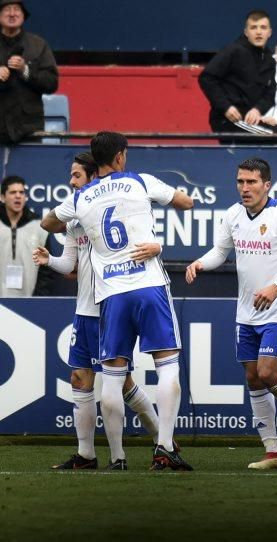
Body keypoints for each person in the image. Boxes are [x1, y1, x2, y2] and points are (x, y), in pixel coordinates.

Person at [41, 131, 194, 471]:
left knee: (111, 377)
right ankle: (164, 448)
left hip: (111, 293)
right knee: (166, 364)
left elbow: (48, 222)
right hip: (149, 284)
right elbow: (187, 203)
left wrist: (76, 215)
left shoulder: (81, 199)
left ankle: (117, 458)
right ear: (122, 156)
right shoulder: (139, 182)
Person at [185, 157, 277, 470]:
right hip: (245, 312)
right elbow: (220, 252)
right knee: (253, 378)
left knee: (267, 373)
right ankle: (272, 453)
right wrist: (200, 263)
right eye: (240, 182)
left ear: (266, 185)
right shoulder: (233, 214)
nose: (244, 188)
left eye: (251, 182)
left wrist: (276, 286)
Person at [198, 10, 276, 136]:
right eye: (253, 27)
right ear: (246, 32)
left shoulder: (270, 60)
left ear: (269, 32)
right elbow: (206, 78)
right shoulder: (233, 51)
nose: (259, 32)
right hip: (229, 119)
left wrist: (257, 109)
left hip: (252, 119)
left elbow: (270, 92)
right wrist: (226, 107)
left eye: (263, 27)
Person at [0, 0, 58, 143]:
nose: (12, 14)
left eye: (17, 10)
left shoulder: (38, 45)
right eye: (7, 9)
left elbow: (51, 83)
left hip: (29, 128)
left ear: (23, 15)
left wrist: (25, 70)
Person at [1, 175, 51, 296]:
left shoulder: (40, 227)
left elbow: (46, 270)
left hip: (29, 304)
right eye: (13, 192)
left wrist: (38, 300)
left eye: (21, 192)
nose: (18, 196)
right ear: (2, 197)